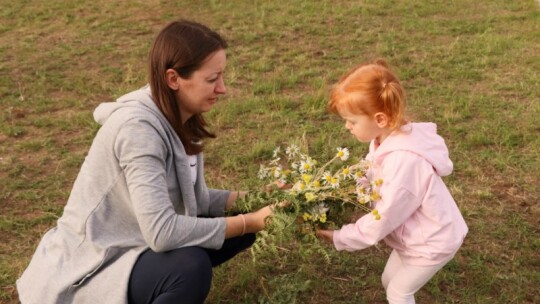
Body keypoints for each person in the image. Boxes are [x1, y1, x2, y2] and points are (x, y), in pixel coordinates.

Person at [17, 20, 274, 304]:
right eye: (212, 80)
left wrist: (258, 200)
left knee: (239, 229)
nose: (222, 88)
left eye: (221, 77)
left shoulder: (179, 114)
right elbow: (163, 232)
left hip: (135, 239)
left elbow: (195, 200)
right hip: (92, 263)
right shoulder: (137, 130)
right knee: (190, 268)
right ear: (173, 79)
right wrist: (248, 221)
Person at [316, 59, 468, 304]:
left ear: (380, 119)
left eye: (352, 121)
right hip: (415, 237)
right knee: (389, 281)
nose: (347, 126)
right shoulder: (383, 139)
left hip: (432, 242)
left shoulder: (405, 163)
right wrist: (342, 187)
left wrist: (339, 237)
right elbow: (370, 170)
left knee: (398, 292)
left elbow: (382, 219)